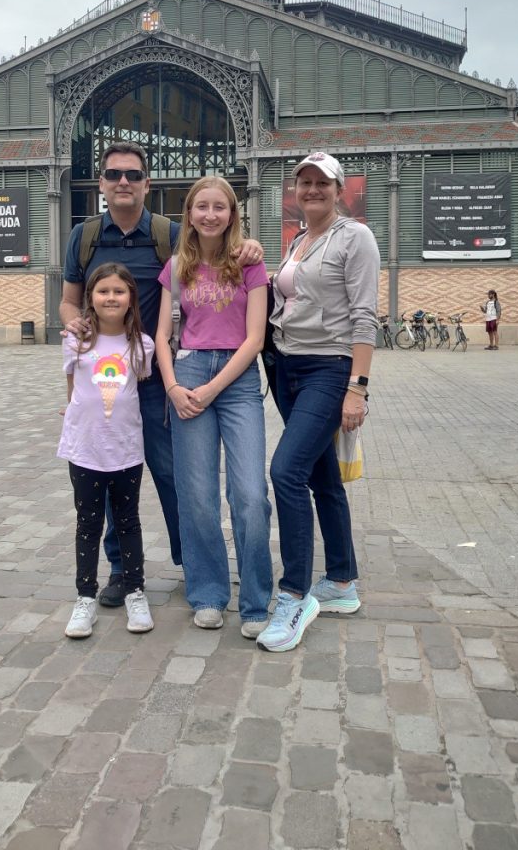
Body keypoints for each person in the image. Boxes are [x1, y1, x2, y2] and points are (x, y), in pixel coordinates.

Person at [59, 140, 264, 609]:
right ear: (102, 184)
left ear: (147, 184)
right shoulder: (85, 236)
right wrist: (73, 320)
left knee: (175, 475)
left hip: (161, 377)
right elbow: (70, 299)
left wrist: (248, 243)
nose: (123, 182)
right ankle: (117, 568)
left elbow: (214, 253)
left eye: (132, 175)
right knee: (110, 474)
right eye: (113, 175)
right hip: (113, 381)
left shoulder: (169, 234)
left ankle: (191, 561)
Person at [256, 153, 380, 653]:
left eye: (322, 183)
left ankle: (295, 594)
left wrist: (358, 386)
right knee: (322, 475)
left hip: (328, 369)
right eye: (304, 183)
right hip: (285, 367)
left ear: (339, 190)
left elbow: (365, 316)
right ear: (295, 191)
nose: (312, 190)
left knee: (286, 471)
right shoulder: (297, 241)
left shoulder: (356, 238)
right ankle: (343, 582)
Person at [154, 176, 272, 637]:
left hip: (237, 380)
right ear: (189, 214)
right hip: (187, 376)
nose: (209, 214)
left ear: (232, 214)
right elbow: (163, 335)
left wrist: (212, 389)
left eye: (219, 207)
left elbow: (256, 338)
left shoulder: (249, 265)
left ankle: (256, 599)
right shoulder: (176, 266)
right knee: (196, 494)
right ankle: (207, 592)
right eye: (201, 206)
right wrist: (172, 386)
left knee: (249, 494)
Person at [58, 262, 155, 638]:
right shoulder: (75, 341)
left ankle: (134, 589)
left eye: (118, 291)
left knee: (127, 521)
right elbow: (72, 388)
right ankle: (85, 597)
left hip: (126, 450)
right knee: (89, 523)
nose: (110, 297)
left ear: (131, 297)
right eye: (103, 291)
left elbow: (139, 391)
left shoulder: (141, 345)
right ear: (90, 299)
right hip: (85, 450)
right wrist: (72, 413)